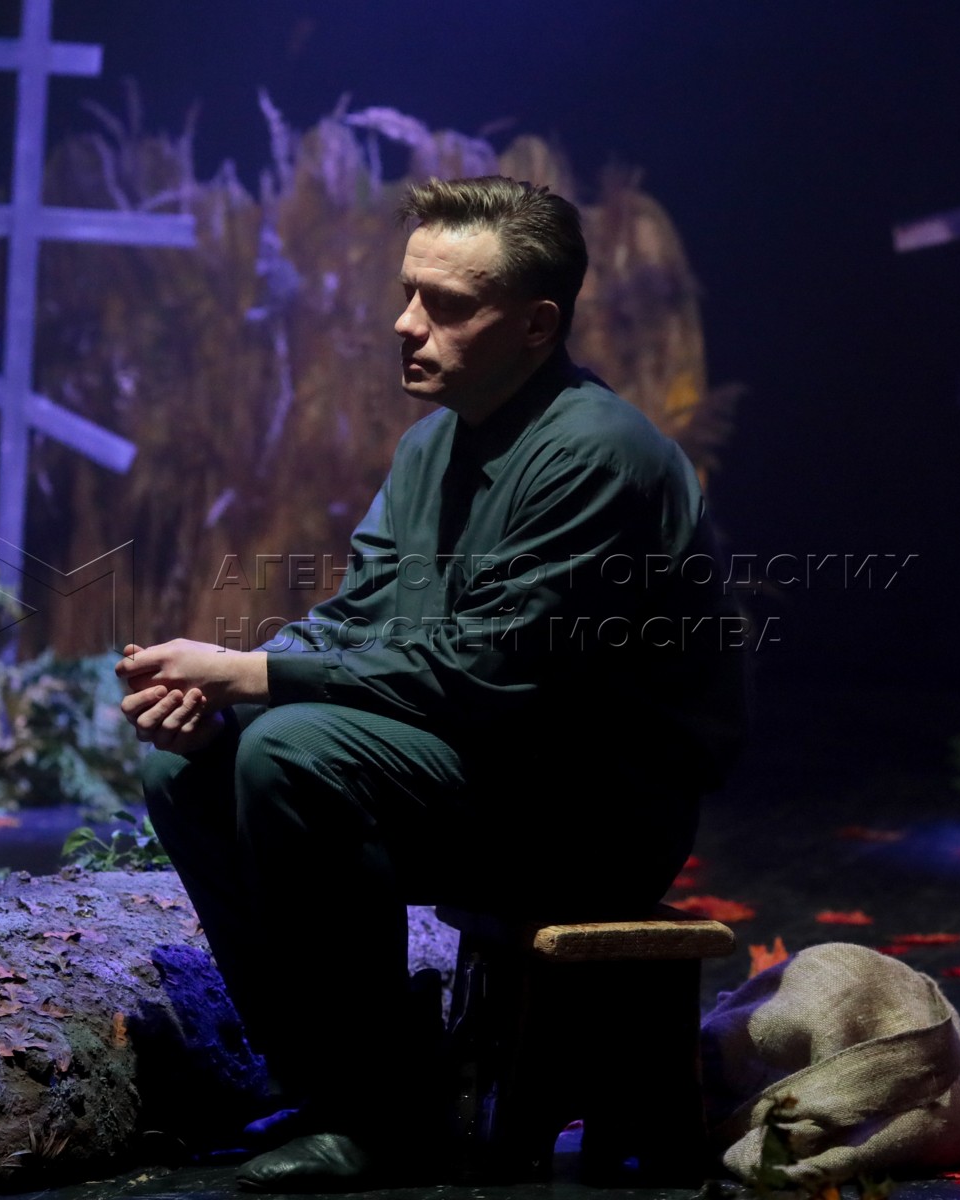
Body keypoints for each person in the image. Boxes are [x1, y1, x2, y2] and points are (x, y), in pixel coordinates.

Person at [115, 175, 743, 1191]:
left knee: (292, 754)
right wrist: (216, 698)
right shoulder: (431, 444)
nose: (406, 324)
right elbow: (363, 616)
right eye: (408, 293)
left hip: (593, 808)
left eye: (447, 304)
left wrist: (251, 676)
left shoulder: (596, 454)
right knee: (187, 773)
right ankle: (333, 1082)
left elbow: (485, 673)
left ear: (537, 324)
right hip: (483, 767)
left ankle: (383, 1117)